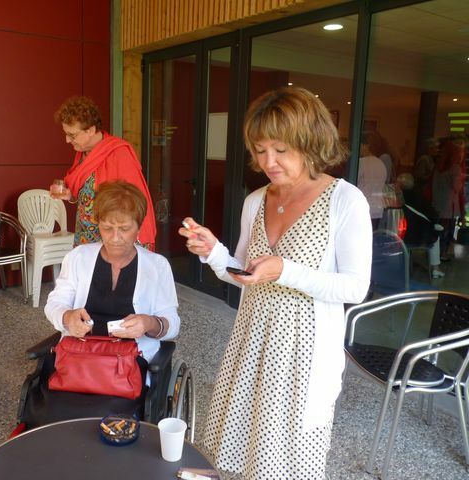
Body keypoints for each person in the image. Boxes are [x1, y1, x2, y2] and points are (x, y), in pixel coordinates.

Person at [179, 86, 371, 479]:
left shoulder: (344, 200)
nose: (269, 161)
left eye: (281, 149)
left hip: (304, 355)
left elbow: (355, 287)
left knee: (292, 462)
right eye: (260, 149)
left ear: (310, 141)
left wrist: (286, 270)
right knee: (246, 449)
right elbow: (245, 275)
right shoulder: (256, 200)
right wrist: (213, 251)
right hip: (250, 343)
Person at [45, 180, 179, 366]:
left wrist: (149, 323)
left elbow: (173, 325)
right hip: (80, 357)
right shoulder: (78, 257)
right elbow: (54, 304)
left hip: (131, 363)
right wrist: (67, 318)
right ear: (98, 225)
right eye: (107, 228)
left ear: (139, 227)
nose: (115, 238)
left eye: (124, 228)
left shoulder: (157, 266)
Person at [50, 96, 157, 250]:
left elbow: (135, 199)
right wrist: (70, 196)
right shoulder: (82, 153)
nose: (67, 140)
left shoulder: (119, 153)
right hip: (85, 236)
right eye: (66, 134)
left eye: (72, 135)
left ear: (91, 130)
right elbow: (85, 193)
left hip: (112, 239)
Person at [397, 173, 445, 278]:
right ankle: (435, 269)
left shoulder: (399, 198)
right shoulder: (418, 197)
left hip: (403, 236)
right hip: (420, 236)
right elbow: (431, 214)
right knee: (435, 237)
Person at [358, 131, 388, 229]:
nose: (359, 147)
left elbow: (353, 183)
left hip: (362, 208)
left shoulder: (361, 162)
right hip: (377, 209)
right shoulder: (381, 163)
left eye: (361, 144)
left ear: (367, 145)